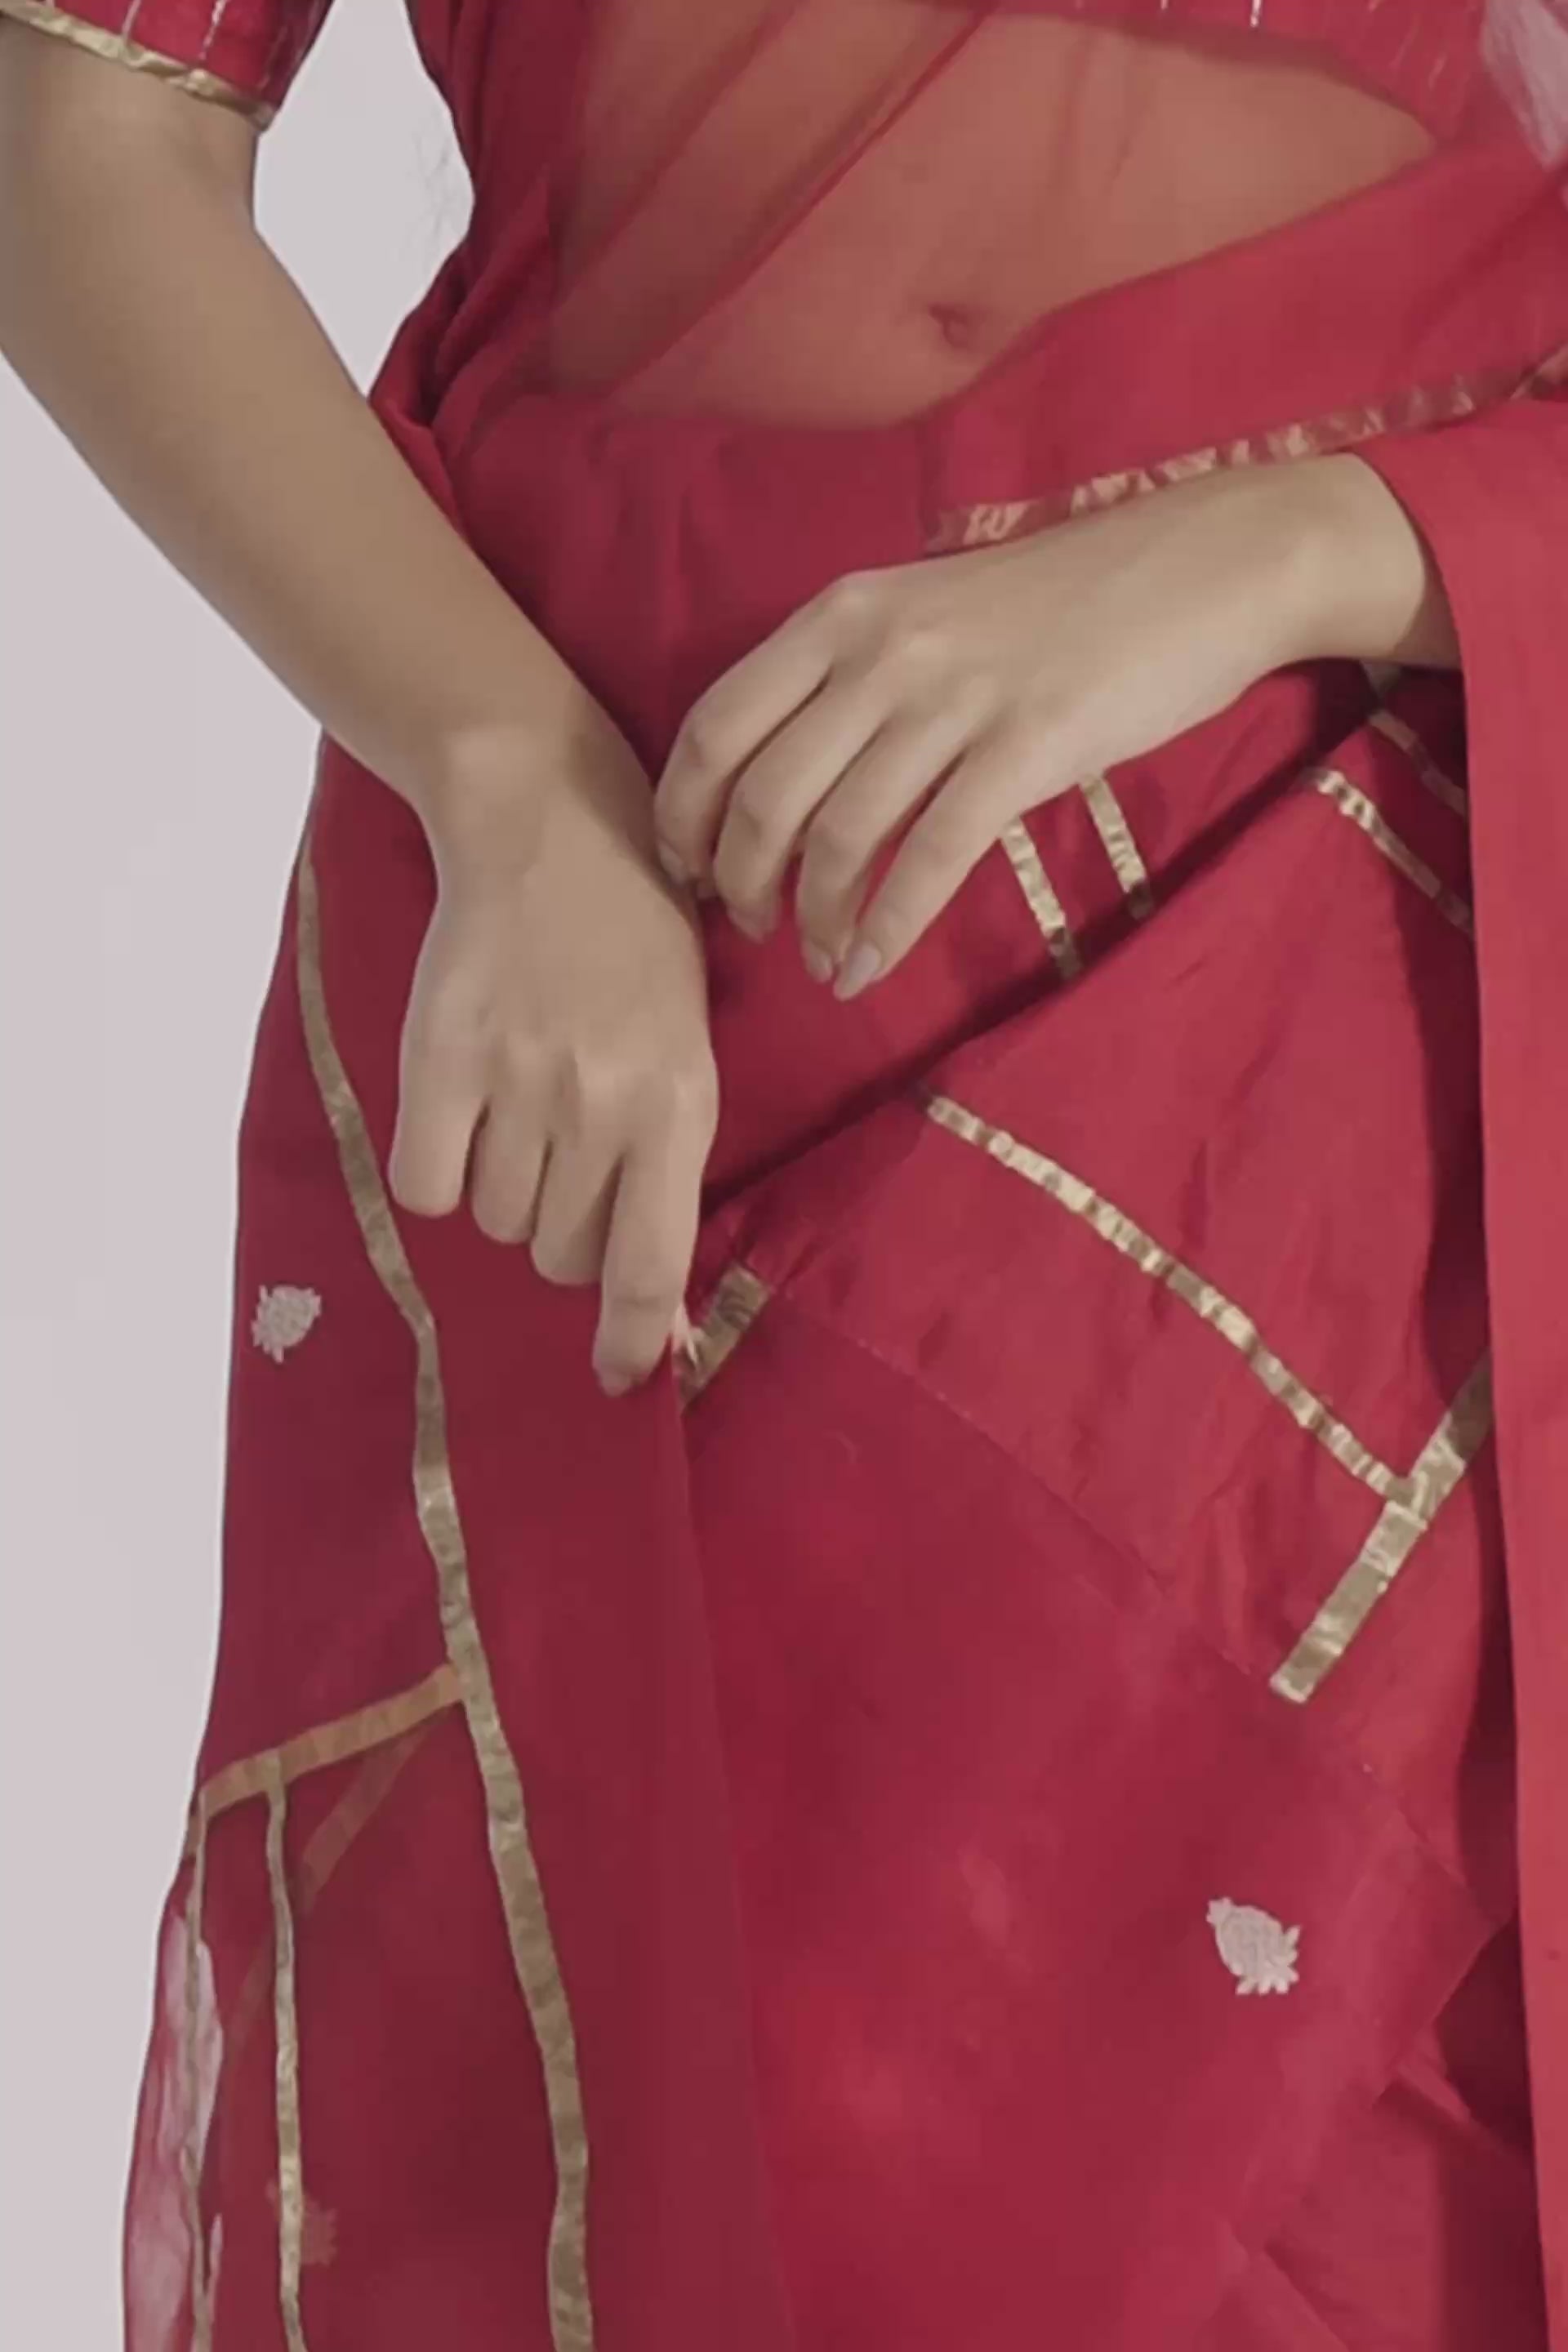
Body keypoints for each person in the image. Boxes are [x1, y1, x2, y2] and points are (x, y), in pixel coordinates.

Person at [3, 2, 1567, 2345]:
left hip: (1343, 942)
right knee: (605, 2147)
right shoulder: (555, 827)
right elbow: (92, 128)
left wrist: (1298, 547)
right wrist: (504, 775)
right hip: (632, 896)